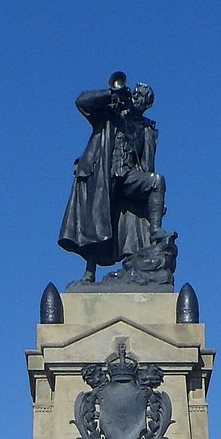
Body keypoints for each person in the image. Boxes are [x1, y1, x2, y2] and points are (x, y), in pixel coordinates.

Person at [58, 75, 167, 283]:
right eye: (136, 93)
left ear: (147, 104)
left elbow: (147, 165)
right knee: (96, 222)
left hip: (127, 176)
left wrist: (154, 205)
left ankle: (154, 232)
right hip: (101, 176)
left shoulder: (146, 129)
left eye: (143, 97)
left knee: (156, 181)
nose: (137, 98)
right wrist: (112, 94)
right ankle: (89, 272)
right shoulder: (111, 113)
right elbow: (82, 102)